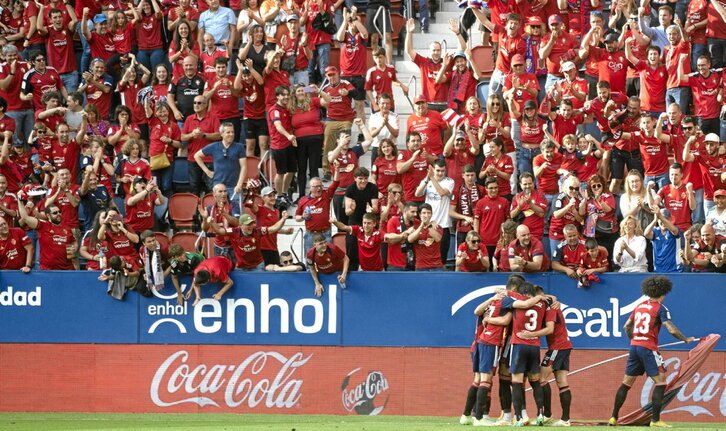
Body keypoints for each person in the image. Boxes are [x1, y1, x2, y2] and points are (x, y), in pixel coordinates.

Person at [609, 275, 696, 428]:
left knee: (626, 384)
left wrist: (634, 340)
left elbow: (626, 327)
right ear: (663, 292)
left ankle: (613, 418)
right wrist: (685, 339)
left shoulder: (640, 306)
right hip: (648, 349)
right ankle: (655, 420)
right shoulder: (660, 308)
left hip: (634, 347)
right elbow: (670, 328)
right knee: (661, 382)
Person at [485, 282, 551, 427]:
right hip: (534, 345)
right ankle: (538, 413)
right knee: (533, 380)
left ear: (516, 291)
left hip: (515, 343)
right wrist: (541, 297)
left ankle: (515, 416)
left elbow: (507, 318)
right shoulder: (542, 303)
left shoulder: (513, 299)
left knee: (510, 380)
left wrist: (488, 319)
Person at [181, 96, 222, 195]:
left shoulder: (214, 118)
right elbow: (182, 137)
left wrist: (203, 135)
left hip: (210, 159)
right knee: (194, 188)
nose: (196, 105)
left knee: (211, 189)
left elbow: (219, 136)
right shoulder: (189, 119)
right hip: (193, 159)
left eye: (199, 103)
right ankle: (196, 210)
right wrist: (192, 135)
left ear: (205, 105)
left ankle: (211, 210)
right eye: (194, 103)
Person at [17, 201, 76, 270]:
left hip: (67, 269)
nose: (58, 214)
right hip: (48, 270)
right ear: (48, 216)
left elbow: (73, 242)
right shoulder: (43, 225)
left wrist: (74, 248)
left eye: (59, 212)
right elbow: (25, 218)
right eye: (55, 213)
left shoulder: (67, 228)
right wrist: (20, 200)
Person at [416, 160, 454, 266]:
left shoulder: (449, 181)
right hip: (428, 223)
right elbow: (417, 193)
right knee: (426, 254)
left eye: (442, 171)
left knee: (442, 257)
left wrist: (432, 177)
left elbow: (442, 193)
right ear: (433, 169)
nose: (440, 173)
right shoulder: (427, 180)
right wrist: (427, 180)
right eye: (437, 171)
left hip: (443, 224)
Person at [194, 122, 247, 197]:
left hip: (234, 186)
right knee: (219, 208)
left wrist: (239, 184)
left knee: (235, 208)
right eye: (228, 132)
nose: (231, 134)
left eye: (232, 132)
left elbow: (244, 167)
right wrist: (207, 171)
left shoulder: (239, 147)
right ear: (221, 134)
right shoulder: (214, 146)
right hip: (218, 186)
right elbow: (197, 156)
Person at [404, 19, 448, 107]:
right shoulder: (424, 62)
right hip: (428, 104)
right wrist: (409, 33)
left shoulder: (447, 63)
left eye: (438, 50)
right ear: (430, 51)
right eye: (434, 50)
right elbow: (409, 51)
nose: (436, 52)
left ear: (441, 51)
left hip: (444, 103)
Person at [343, 167, 379, 270]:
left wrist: (372, 210)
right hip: (354, 219)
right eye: (360, 178)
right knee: (351, 244)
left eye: (365, 178)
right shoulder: (350, 188)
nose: (363, 181)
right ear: (355, 178)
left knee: (370, 246)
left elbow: (375, 208)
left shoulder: (372, 187)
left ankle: (369, 268)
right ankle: (351, 268)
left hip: (368, 219)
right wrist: (352, 208)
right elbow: (347, 211)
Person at [296, 171, 340, 252]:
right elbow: (297, 217)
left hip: (325, 233)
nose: (319, 189)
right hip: (310, 234)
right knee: (309, 258)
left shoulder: (326, 195)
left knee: (328, 258)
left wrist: (337, 169)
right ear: (310, 188)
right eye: (316, 187)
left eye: (320, 186)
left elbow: (336, 182)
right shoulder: (303, 200)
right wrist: (303, 216)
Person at [267, 85, 297, 199]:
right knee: (280, 172)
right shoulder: (274, 110)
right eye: (283, 95)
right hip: (278, 145)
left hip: (288, 144)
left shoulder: (286, 109)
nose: (286, 97)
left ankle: (284, 193)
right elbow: (278, 126)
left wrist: (310, 88)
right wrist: (288, 135)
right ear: (277, 96)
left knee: (292, 171)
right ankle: (279, 196)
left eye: (287, 94)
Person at [474, 178, 510, 258]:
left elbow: (508, 219)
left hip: (500, 241)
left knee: (498, 266)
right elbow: (476, 220)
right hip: (484, 241)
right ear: (486, 189)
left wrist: (505, 236)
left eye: (495, 187)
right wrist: (476, 236)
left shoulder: (504, 202)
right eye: (491, 188)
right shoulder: (480, 203)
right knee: (486, 266)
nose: (494, 190)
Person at [449, 165, 484, 246]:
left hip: (479, 226)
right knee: (461, 253)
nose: (470, 178)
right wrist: (465, 217)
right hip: (463, 228)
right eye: (467, 175)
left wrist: (475, 219)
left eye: (472, 175)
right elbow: (451, 212)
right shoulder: (458, 190)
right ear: (463, 176)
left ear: (475, 175)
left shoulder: (481, 189)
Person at [306, 232, 350, 297]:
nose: (324, 245)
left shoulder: (333, 248)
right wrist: (317, 284)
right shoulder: (310, 254)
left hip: (338, 274)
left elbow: (346, 259)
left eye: (325, 242)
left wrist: (344, 274)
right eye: (321, 243)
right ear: (314, 245)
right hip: (324, 276)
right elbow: (312, 268)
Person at [397, 132, 435, 203]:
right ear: (408, 143)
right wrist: (412, 159)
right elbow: (399, 170)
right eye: (413, 141)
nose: (416, 143)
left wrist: (428, 157)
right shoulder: (403, 154)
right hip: (410, 197)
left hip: (427, 196)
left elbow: (439, 163)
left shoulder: (426, 151)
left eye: (418, 141)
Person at [384, 201, 419, 271]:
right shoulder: (393, 221)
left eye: (416, 212)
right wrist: (405, 234)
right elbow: (391, 241)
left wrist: (433, 223)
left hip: (411, 263)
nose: (415, 214)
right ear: (405, 210)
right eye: (412, 212)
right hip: (395, 264)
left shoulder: (417, 223)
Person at [645, 207, 682, 272]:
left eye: (666, 219)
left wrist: (660, 217)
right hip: (658, 270)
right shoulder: (655, 231)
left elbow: (674, 231)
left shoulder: (674, 229)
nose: (663, 222)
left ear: (670, 219)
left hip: (674, 269)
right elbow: (646, 234)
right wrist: (655, 220)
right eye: (660, 220)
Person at [408, 203, 443, 271]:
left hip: (436, 265)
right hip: (421, 265)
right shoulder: (415, 227)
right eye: (424, 213)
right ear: (419, 214)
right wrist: (421, 226)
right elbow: (410, 240)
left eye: (428, 213)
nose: (426, 215)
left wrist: (428, 226)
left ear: (431, 214)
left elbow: (438, 239)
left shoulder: (437, 227)